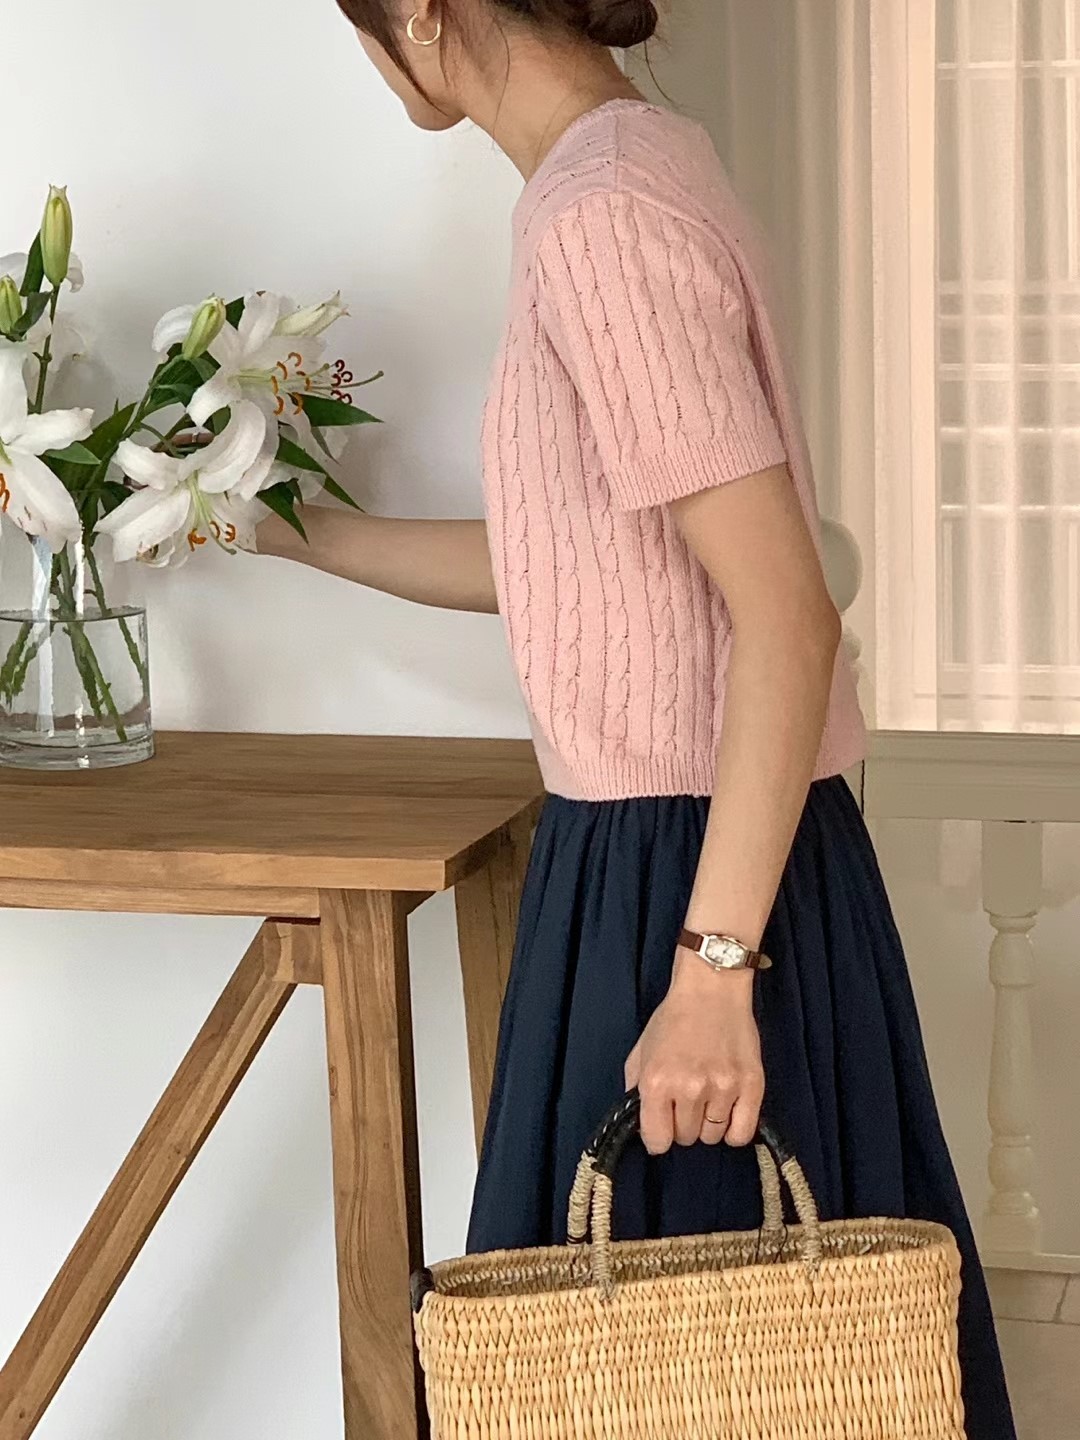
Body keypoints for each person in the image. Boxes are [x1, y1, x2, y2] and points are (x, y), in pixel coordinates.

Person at [257, 2, 1016, 1433]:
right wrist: (292, 528)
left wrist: (713, 973)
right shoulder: (635, 170)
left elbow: (787, 616)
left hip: (691, 875)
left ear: (419, 13)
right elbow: (574, 557)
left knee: (690, 1386)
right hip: (688, 861)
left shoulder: (601, 217)